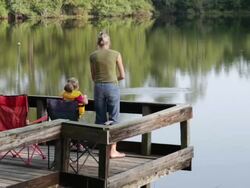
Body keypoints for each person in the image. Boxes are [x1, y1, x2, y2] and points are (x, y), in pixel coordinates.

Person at [89, 31, 125, 158]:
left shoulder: (93, 56)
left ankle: (102, 150)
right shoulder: (116, 54)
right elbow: (122, 75)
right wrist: (113, 79)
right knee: (114, 118)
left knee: (100, 118)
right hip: (112, 86)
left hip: (98, 87)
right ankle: (113, 151)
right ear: (108, 43)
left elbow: (93, 77)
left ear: (98, 43)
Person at [61, 77, 88, 151]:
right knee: (77, 130)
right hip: (75, 115)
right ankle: (78, 146)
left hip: (66, 115)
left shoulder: (64, 94)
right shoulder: (77, 95)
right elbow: (85, 102)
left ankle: (69, 144)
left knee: (69, 129)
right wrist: (85, 97)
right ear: (77, 87)